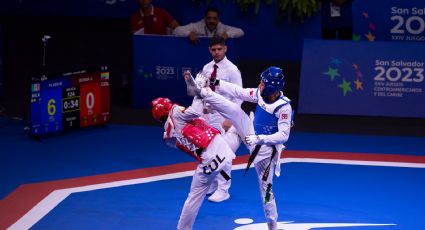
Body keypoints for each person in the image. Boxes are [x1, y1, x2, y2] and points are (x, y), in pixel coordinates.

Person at [185, 66, 293, 230]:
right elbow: (237, 91)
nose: (260, 84)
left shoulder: (283, 107)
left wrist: (260, 138)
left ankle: (273, 226)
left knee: (266, 193)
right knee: (235, 111)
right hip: (250, 132)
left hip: (264, 151)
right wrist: (215, 82)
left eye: (263, 82)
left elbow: (284, 135)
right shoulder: (259, 93)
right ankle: (202, 92)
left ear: (271, 86)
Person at [151, 97, 235, 230]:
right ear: (168, 107)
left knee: (193, 198)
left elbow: (195, 122)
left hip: (208, 158)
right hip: (221, 148)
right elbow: (195, 111)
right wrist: (198, 93)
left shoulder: (167, 135)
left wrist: (206, 110)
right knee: (233, 131)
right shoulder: (176, 111)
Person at [199, 36, 243, 203]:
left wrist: (230, 118)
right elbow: (202, 91)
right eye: (213, 49)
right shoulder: (206, 68)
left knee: (223, 154)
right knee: (208, 153)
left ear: (225, 49)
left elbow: (239, 96)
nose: (216, 52)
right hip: (208, 116)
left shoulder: (232, 70)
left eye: (219, 49)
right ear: (209, 50)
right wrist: (201, 111)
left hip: (225, 116)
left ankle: (223, 189)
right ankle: (210, 184)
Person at [173, 6, 244, 44]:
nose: (211, 21)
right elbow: (176, 30)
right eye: (209, 18)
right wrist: (189, 33)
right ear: (204, 18)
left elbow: (241, 32)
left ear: (218, 19)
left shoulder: (221, 27)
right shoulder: (197, 26)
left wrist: (227, 35)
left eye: (214, 18)